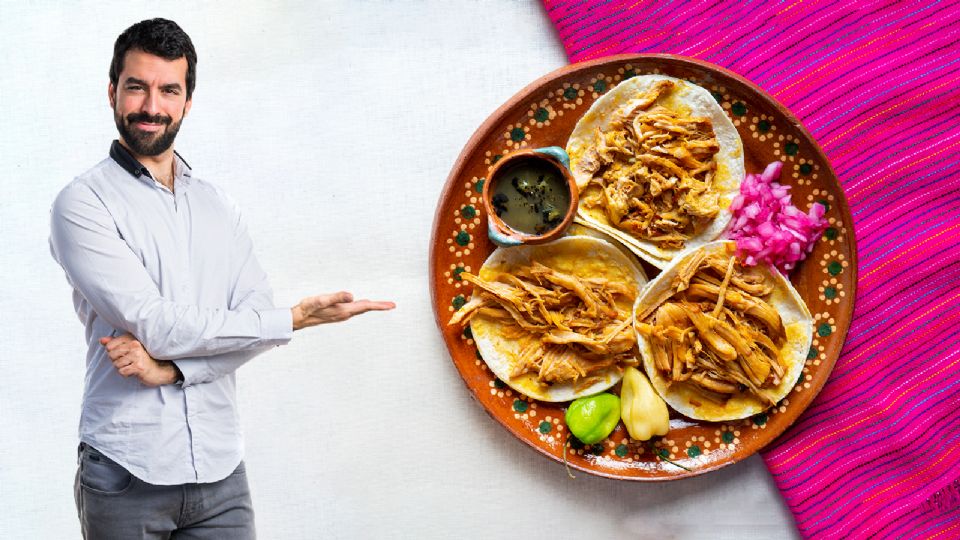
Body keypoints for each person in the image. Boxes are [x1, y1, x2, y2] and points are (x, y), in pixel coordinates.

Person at [49, 18, 395, 539]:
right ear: (112, 91)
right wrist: (292, 319)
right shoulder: (83, 204)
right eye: (136, 86)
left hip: (220, 471)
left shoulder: (217, 206)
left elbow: (251, 327)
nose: (151, 106)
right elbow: (160, 325)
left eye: (169, 90)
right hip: (126, 469)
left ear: (187, 101)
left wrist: (171, 372)